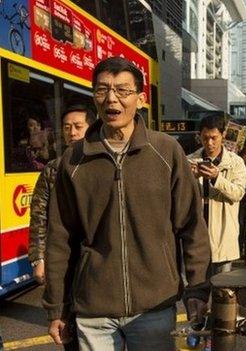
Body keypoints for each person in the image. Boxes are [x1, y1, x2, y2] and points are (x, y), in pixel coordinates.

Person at [43, 57, 211, 350]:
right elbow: (60, 238)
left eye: (122, 90)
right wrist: (57, 306)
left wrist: (197, 289)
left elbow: (192, 226)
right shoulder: (73, 160)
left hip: (154, 306)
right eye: (102, 90)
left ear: (141, 98)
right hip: (93, 310)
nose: (111, 99)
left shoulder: (166, 151)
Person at [28, 104, 94, 350]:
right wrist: (38, 259)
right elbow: (39, 217)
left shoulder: (102, 165)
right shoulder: (53, 170)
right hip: (64, 259)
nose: (72, 133)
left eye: (78, 127)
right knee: (69, 329)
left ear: (91, 129)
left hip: (97, 260)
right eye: (67, 128)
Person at [187, 115, 246, 285]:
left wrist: (217, 178)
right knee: (196, 293)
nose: (210, 143)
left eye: (214, 138)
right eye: (205, 138)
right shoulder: (189, 161)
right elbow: (177, 197)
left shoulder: (236, 163)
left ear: (223, 135)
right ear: (199, 136)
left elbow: (238, 194)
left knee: (223, 295)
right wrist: (191, 178)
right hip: (196, 237)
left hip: (223, 237)